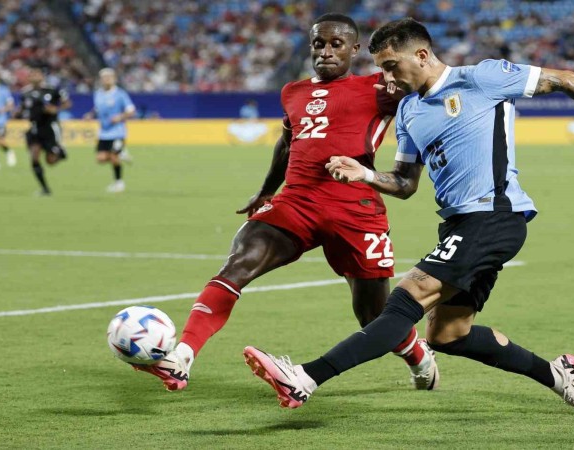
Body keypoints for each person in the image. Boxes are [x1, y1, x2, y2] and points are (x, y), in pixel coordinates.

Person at [243, 18, 574, 415]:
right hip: (458, 224)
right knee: (448, 335)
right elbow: (405, 183)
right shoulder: (409, 111)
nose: (387, 79)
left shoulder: (481, 78)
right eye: (381, 70)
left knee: (405, 300)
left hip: (495, 215)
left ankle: (305, 377)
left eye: (392, 66)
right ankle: (559, 374)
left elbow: (566, 79)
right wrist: (365, 174)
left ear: (421, 55)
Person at [134, 13, 440, 392]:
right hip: (295, 202)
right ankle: (181, 356)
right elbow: (286, 143)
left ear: (354, 49)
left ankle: (417, 355)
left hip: (354, 210)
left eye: (336, 44)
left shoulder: (379, 87)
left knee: (373, 317)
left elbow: (429, 91)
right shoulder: (293, 92)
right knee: (237, 264)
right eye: (318, 44)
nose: (326, 51)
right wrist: (266, 190)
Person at [19, 66, 72, 196]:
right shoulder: (25, 92)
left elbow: (67, 103)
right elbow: (23, 107)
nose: (35, 76)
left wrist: (56, 109)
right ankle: (45, 188)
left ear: (42, 76)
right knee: (34, 157)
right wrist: (17, 113)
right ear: (29, 77)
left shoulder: (52, 90)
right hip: (34, 128)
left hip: (49, 127)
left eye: (37, 74)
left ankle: (60, 152)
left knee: (50, 161)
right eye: (32, 74)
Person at [87, 68, 136, 193]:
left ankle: (119, 183)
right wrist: (91, 114)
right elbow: (97, 108)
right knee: (100, 159)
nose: (107, 79)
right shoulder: (98, 94)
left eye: (109, 77)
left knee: (114, 157)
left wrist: (120, 117)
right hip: (104, 133)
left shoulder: (120, 94)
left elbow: (131, 110)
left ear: (114, 79)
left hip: (117, 132)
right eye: (104, 77)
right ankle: (121, 153)